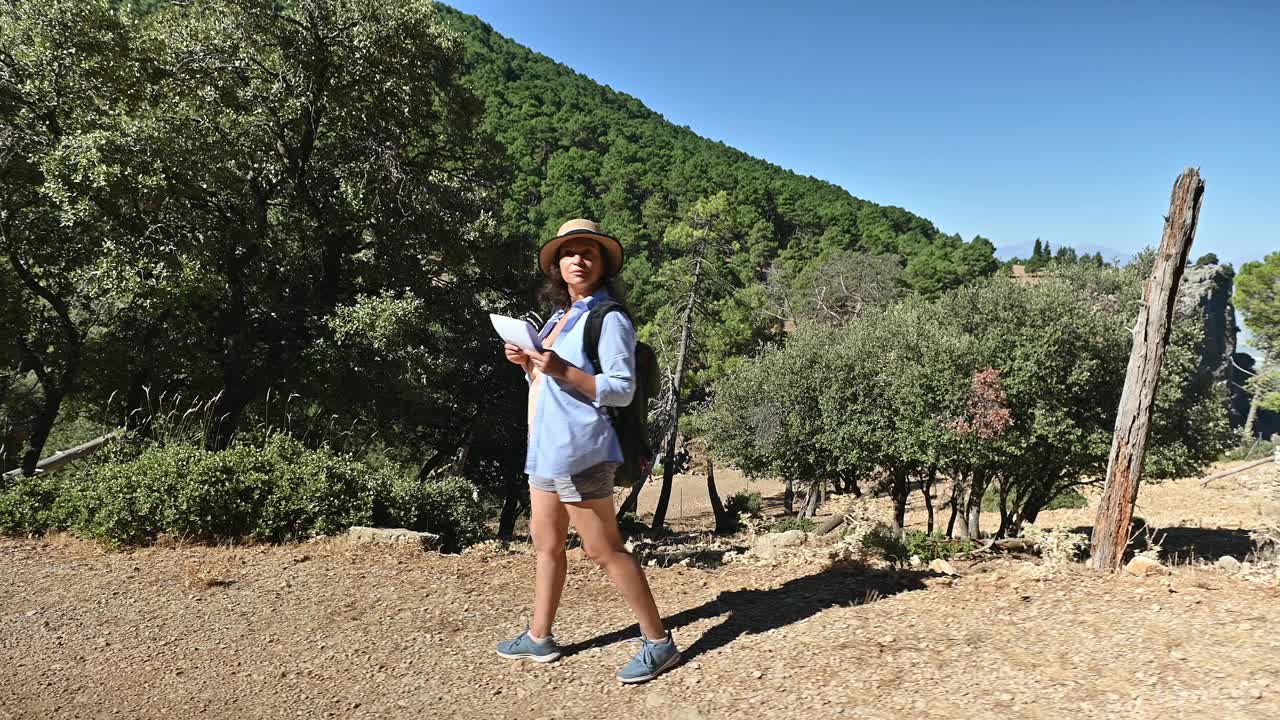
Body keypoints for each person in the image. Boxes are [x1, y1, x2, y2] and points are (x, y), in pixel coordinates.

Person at [495, 219, 681, 684]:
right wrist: (529, 366)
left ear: (602, 264)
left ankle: (659, 642)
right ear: (557, 265)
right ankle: (539, 636)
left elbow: (619, 389)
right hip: (546, 446)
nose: (578, 260)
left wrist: (559, 368)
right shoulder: (560, 318)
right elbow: (547, 384)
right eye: (569, 253)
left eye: (588, 253)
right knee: (547, 543)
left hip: (583, 449)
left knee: (604, 550)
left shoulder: (609, 318)